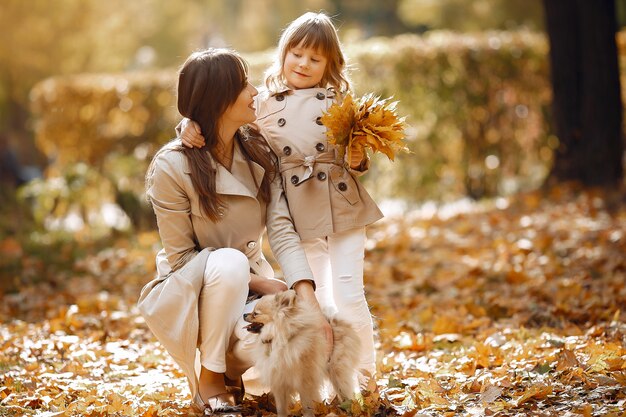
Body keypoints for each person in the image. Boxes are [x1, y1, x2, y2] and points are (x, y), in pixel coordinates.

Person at [180, 12, 383, 383]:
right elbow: (223, 119)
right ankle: (326, 377)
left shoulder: (340, 100)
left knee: (351, 294)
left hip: (341, 205)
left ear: (329, 65)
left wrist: (358, 159)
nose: (304, 64)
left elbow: (357, 152)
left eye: (315, 59)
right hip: (299, 212)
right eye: (297, 53)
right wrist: (187, 124)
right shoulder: (264, 102)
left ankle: (365, 373)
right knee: (315, 300)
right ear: (283, 53)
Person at [137, 48, 332, 416]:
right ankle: (209, 377)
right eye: (244, 84)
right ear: (219, 98)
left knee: (303, 322)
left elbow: (281, 229)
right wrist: (260, 284)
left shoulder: (259, 150)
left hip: (251, 288)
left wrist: (305, 293)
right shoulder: (171, 166)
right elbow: (180, 259)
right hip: (194, 290)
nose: (255, 91)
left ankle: (232, 370)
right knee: (228, 263)